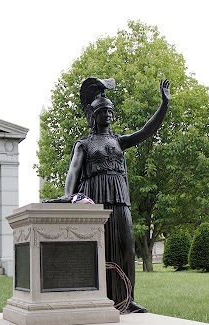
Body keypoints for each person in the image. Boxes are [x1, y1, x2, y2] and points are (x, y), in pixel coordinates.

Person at [64, 77, 171, 313]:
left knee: (126, 246)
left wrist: (164, 105)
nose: (109, 114)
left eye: (111, 110)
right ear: (94, 116)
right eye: (103, 110)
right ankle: (98, 297)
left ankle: (127, 298)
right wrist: (68, 197)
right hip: (96, 197)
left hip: (120, 199)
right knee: (98, 248)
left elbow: (146, 131)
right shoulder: (84, 144)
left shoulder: (118, 142)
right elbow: (73, 171)